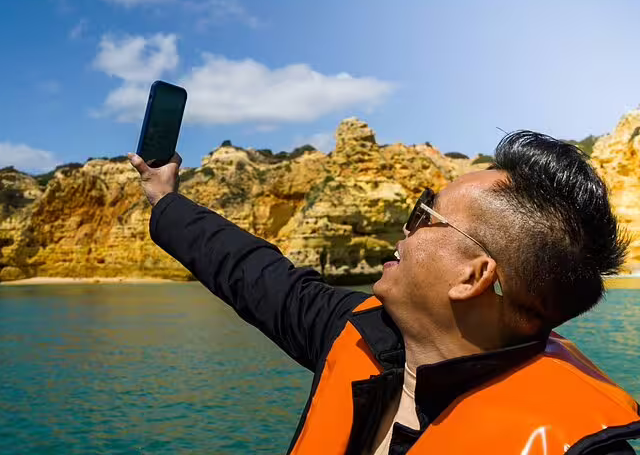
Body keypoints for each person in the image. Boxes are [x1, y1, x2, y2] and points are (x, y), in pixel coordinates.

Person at [127, 131, 640, 454]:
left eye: (425, 215)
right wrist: (166, 200)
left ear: (473, 277)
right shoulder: (359, 331)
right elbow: (251, 271)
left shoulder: (579, 445)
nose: (405, 229)